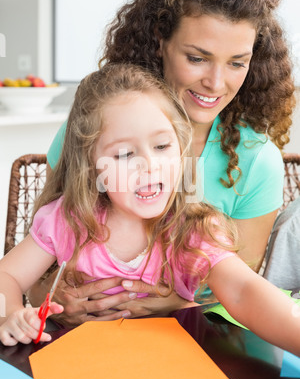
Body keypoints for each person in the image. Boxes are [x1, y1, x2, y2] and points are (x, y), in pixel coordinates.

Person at [29, 0, 296, 325]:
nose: (216, 84)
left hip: (191, 336)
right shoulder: (93, 134)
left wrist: (174, 301)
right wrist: (53, 298)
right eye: (197, 57)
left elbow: (239, 291)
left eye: (237, 62)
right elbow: (38, 272)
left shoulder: (255, 161)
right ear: (160, 41)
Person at [1, 64, 300, 357]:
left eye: (161, 146)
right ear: (91, 168)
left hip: (169, 370)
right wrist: (11, 313)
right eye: (124, 153)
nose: (150, 164)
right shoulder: (67, 221)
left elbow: (244, 291)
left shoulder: (194, 227)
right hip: (82, 368)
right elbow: (8, 277)